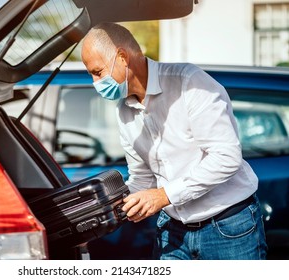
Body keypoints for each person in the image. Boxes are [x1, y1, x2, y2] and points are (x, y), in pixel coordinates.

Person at [80, 22, 267, 260]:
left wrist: (163, 196)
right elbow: (142, 178)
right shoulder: (124, 110)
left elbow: (226, 157)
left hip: (228, 229)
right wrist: (100, 218)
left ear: (122, 57)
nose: (96, 83)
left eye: (98, 72)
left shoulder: (190, 83)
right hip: (172, 231)